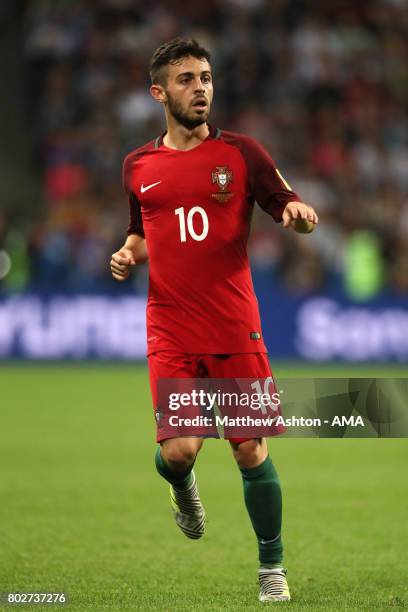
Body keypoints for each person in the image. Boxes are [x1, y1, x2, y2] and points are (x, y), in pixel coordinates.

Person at [110, 37, 318, 603]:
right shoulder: (138, 165)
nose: (200, 87)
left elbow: (287, 205)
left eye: (205, 77)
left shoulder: (243, 154)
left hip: (233, 326)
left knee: (249, 449)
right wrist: (130, 252)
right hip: (171, 327)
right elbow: (142, 229)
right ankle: (182, 489)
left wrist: (298, 216)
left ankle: (271, 567)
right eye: (186, 79)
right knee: (178, 452)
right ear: (159, 92)